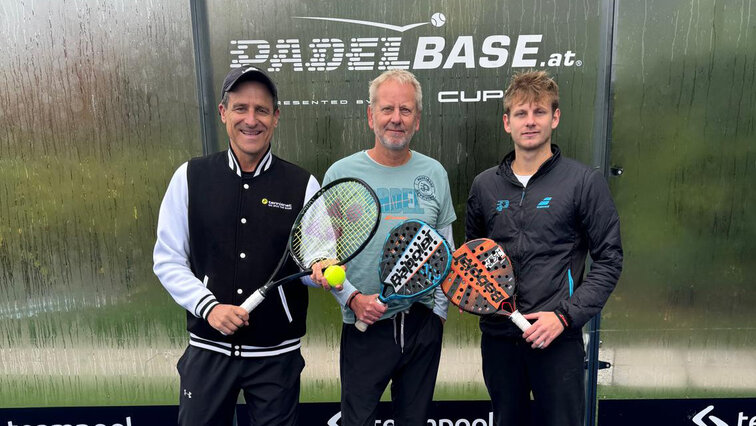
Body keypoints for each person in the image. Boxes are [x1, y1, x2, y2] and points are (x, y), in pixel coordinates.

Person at [153, 66, 330, 426]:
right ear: (223, 113)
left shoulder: (302, 184)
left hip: (276, 357)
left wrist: (322, 273)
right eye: (241, 108)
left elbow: (313, 263)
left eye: (262, 110)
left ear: (276, 117)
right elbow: (167, 259)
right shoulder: (190, 177)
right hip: (209, 351)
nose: (251, 120)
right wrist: (209, 308)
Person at [465, 70, 623, 426]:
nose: (530, 121)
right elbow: (472, 256)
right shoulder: (484, 186)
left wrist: (565, 316)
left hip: (557, 337)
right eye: (521, 113)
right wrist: (475, 297)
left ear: (555, 117)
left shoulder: (583, 182)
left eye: (539, 112)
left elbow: (610, 259)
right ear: (507, 122)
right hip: (500, 338)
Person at [310, 70, 456, 426]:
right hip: (364, 324)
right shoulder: (340, 174)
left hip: (421, 325)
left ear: (417, 120)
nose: (396, 118)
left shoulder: (434, 173)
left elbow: (445, 248)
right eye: (387, 108)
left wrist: (437, 315)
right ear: (370, 115)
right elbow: (320, 253)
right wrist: (353, 300)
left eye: (406, 110)